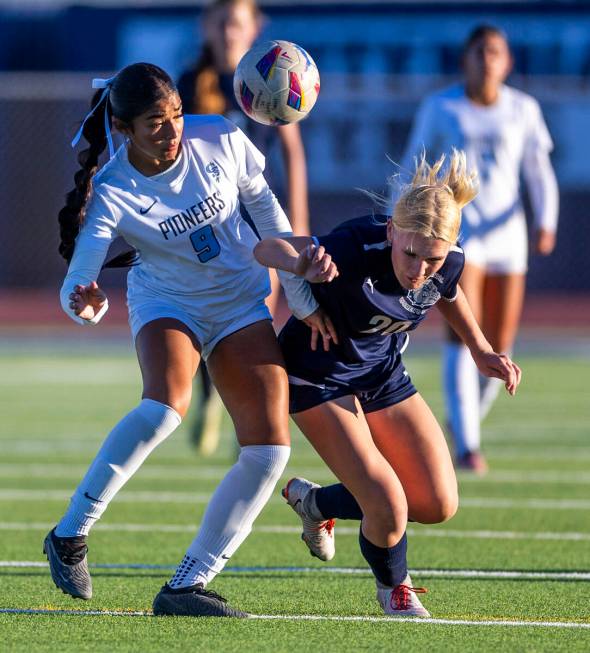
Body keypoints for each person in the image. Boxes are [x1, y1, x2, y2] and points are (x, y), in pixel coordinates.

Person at [44, 62, 327, 618]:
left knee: (269, 451)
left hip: (240, 301)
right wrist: (86, 304)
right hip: (167, 302)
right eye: (154, 122)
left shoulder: (220, 135)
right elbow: (78, 279)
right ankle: (70, 534)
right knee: (164, 408)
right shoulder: (113, 188)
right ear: (124, 129)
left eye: (175, 115)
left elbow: (268, 214)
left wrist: (300, 296)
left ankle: (187, 585)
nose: (171, 131)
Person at [253, 150, 521, 617]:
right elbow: (266, 248)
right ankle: (394, 588)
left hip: (381, 375)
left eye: (432, 259)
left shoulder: (448, 262)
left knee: (437, 503)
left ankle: (314, 503)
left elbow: (449, 293)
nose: (419, 270)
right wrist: (303, 266)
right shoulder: (355, 245)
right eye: (410, 253)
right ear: (392, 231)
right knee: (389, 506)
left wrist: (480, 349)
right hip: (319, 376)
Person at [401, 25, 558, 473]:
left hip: (509, 236)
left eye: (495, 52)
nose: (487, 60)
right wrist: (404, 218)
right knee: (463, 336)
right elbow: (416, 159)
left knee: (499, 344)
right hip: (459, 235)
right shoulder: (441, 106)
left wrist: (546, 221)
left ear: (507, 62)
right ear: (465, 59)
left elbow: (539, 171)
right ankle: (468, 445)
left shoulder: (523, 110)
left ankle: (463, 418)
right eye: (479, 52)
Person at [178, 0, 311, 453]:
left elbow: (291, 150)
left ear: (255, 28)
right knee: (205, 317)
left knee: (258, 318)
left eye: (237, 23)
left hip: (257, 223)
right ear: (207, 27)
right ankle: (209, 397)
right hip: (204, 224)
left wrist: (297, 221)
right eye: (222, 23)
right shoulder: (191, 84)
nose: (229, 32)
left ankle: (250, 420)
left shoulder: (271, 76)